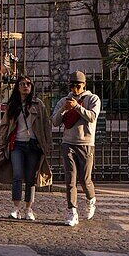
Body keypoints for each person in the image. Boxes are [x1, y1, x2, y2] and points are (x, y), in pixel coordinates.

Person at [0, 76, 52, 220]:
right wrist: (2, 144)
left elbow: (46, 125)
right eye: (22, 84)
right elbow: (4, 126)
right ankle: (16, 208)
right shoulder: (13, 105)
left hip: (34, 145)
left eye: (28, 84)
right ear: (17, 87)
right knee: (17, 175)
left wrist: (47, 144)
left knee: (30, 177)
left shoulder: (38, 104)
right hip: (17, 145)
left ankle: (29, 209)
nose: (25, 86)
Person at [52, 70, 101, 227]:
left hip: (86, 143)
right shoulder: (64, 101)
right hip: (68, 143)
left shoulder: (93, 99)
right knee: (70, 179)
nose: (75, 89)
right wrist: (64, 109)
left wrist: (77, 107)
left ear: (84, 85)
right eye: (72, 85)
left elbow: (92, 117)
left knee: (85, 180)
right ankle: (72, 211)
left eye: (78, 86)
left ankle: (91, 199)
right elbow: (55, 121)